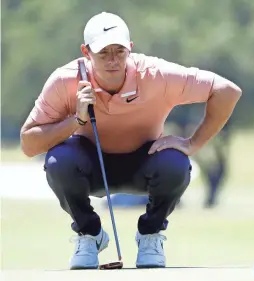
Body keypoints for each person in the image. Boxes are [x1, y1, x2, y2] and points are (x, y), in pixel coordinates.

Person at [20, 12, 242, 269]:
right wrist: (75, 120)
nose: (113, 60)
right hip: (90, 165)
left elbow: (227, 91)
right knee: (59, 160)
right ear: (86, 52)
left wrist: (193, 143)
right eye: (103, 53)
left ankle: (151, 234)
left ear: (131, 49)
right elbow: (29, 144)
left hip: (143, 163)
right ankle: (89, 234)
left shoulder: (156, 74)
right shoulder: (64, 80)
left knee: (176, 162)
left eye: (119, 51)